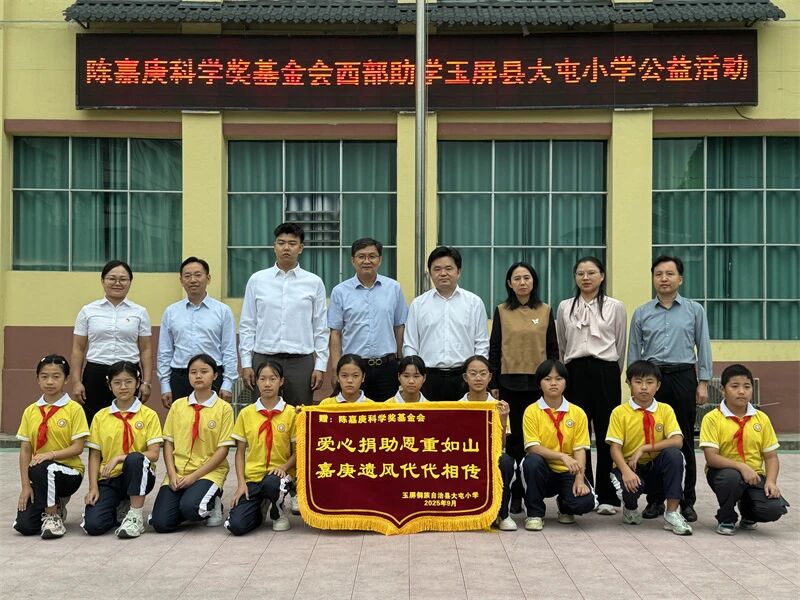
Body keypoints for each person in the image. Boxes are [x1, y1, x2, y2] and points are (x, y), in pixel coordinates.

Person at [628, 255, 711, 522]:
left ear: (680, 279)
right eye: (659, 274)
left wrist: (703, 382)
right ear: (653, 278)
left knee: (682, 437)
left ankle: (686, 500)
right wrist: (634, 382)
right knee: (651, 436)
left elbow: (703, 346)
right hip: (652, 377)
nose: (664, 279)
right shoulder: (642, 312)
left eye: (670, 274)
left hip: (683, 376)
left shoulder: (694, 310)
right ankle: (655, 500)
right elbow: (634, 350)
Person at [555, 256, 626, 516]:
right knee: (578, 433)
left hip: (606, 371)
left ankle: (607, 495)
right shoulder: (565, 307)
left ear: (602, 276)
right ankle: (583, 488)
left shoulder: (615, 306)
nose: (586, 278)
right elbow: (562, 345)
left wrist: (612, 371)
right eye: (580, 273)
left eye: (591, 273)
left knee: (607, 432)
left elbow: (620, 343)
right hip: (575, 372)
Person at [489, 261, 558, 514]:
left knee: (536, 439)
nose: (522, 282)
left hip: (537, 385)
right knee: (514, 441)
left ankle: (535, 494)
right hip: (509, 383)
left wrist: (552, 381)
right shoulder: (502, 310)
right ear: (509, 283)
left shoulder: (545, 310)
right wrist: (494, 383)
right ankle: (514, 494)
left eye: (526, 278)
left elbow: (552, 349)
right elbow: (495, 348)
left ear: (533, 281)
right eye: (516, 278)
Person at [239, 222, 328, 408]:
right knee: (263, 414)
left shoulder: (314, 282)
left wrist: (320, 365)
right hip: (264, 358)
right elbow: (248, 324)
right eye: (281, 243)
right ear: (274, 246)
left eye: (292, 243)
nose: (286, 248)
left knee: (299, 415)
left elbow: (320, 327)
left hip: (300, 362)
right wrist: (246, 363)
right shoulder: (257, 280)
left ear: (301, 248)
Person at [700, 363, 788, 535]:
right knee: (730, 479)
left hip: (755, 476)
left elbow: (771, 456)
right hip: (723, 473)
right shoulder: (712, 418)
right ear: (723, 390)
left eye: (747, 387)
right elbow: (711, 457)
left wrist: (771, 481)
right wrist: (741, 467)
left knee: (774, 509)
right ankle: (727, 518)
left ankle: (748, 512)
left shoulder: (761, 419)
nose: (741, 391)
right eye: (735, 386)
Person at [607, 360, 692, 536]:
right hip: (631, 467)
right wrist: (626, 471)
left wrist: (645, 448)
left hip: (656, 467)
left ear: (658, 385)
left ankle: (672, 513)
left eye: (650, 382)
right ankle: (630, 508)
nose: (644, 387)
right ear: (629, 383)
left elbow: (678, 440)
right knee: (628, 486)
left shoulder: (665, 410)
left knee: (675, 455)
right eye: (638, 382)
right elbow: (615, 448)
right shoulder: (619, 412)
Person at [150, 354, 234, 533]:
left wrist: (194, 477)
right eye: (193, 372)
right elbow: (169, 443)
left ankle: (213, 502)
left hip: (208, 472)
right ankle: (183, 503)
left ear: (215, 375)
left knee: (192, 509)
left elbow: (223, 450)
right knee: (161, 523)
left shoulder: (224, 409)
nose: (198, 376)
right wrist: (172, 474)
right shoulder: (178, 406)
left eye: (204, 371)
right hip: (178, 472)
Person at [82, 361, 162, 538]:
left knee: (135, 459)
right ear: (109, 385)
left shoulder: (149, 415)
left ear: (138, 383)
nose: (123, 387)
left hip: (139, 474)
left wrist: (119, 458)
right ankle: (118, 506)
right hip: (110, 478)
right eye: (117, 382)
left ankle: (135, 515)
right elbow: (94, 456)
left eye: (128, 382)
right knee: (93, 525)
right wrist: (93, 487)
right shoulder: (101, 416)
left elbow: (154, 454)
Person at [14, 355, 89, 538]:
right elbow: (25, 450)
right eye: (44, 376)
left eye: (56, 376)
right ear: (37, 378)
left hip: (69, 472)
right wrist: (26, 486)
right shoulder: (30, 411)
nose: (49, 381)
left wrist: (51, 455)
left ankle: (53, 516)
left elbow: (78, 447)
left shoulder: (74, 409)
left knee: (43, 466)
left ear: (66, 379)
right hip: (39, 474)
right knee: (25, 526)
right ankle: (54, 502)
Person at [71, 260, 153, 424]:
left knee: (127, 422)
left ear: (130, 282)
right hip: (96, 373)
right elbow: (78, 348)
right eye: (112, 278)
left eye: (123, 279)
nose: (117, 283)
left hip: (128, 373)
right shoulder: (88, 311)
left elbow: (146, 349)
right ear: (103, 281)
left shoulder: (140, 312)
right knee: (95, 423)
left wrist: (146, 382)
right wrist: (76, 382)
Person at [403, 247, 489, 401]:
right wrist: (414, 375)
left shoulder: (474, 303)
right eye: (437, 269)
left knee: (463, 417)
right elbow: (410, 344)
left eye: (448, 268)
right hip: (428, 378)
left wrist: (477, 374)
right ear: (430, 273)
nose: (443, 273)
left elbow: (481, 343)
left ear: (458, 271)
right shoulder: (418, 304)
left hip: (464, 378)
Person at [519, 360, 596, 531]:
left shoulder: (578, 413)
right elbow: (532, 446)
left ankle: (565, 505)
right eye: (547, 379)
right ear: (539, 384)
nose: (553, 383)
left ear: (566, 383)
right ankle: (535, 513)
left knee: (585, 504)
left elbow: (580, 449)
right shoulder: (531, 411)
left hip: (568, 471)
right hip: (543, 469)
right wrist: (562, 456)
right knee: (532, 461)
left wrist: (579, 479)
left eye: (559, 379)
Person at [328, 238, 408, 401]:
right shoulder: (340, 291)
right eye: (361, 256)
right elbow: (335, 333)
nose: (367, 261)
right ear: (353, 260)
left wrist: (400, 360)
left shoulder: (394, 288)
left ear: (380, 260)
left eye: (372, 256)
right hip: (353, 369)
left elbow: (399, 326)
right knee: (354, 414)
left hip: (387, 367)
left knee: (387, 414)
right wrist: (336, 367)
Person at [226, 361, 296, 534]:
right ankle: (260, 508)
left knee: (272, 483)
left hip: (280, 475)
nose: (267, 384)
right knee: (236, 526)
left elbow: (298, 452)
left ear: (281, 381)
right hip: (253, 477)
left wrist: (284, 467)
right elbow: (239, 453)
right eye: (262, 379)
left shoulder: (291, 413)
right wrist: (241, 483)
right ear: (256, 381)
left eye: (273, 379)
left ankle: (278, 512)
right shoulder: (246, 413)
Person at [158, 256, 237, 408]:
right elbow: (165, 352)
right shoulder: (171, 312)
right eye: (187, 276)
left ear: (208, 278)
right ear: (181, 280)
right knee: (181, 421)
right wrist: (165, 385)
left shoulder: (223, 311)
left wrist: (227, 383)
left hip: (213, 377)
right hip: (180, 377)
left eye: (198, 275)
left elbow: (229, 350)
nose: (193, 280)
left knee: (212, 421)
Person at [459, 355, 515, 531]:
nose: (478, 378)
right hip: (465, 456)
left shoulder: (499, 406)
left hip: (491, 456)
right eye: (473, 373)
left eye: (483, 373)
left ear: (490, 377)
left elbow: (503, 445)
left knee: (506, 462)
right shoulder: (457, 406)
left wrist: (503, 420)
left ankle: (503, 515)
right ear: (465, 377)